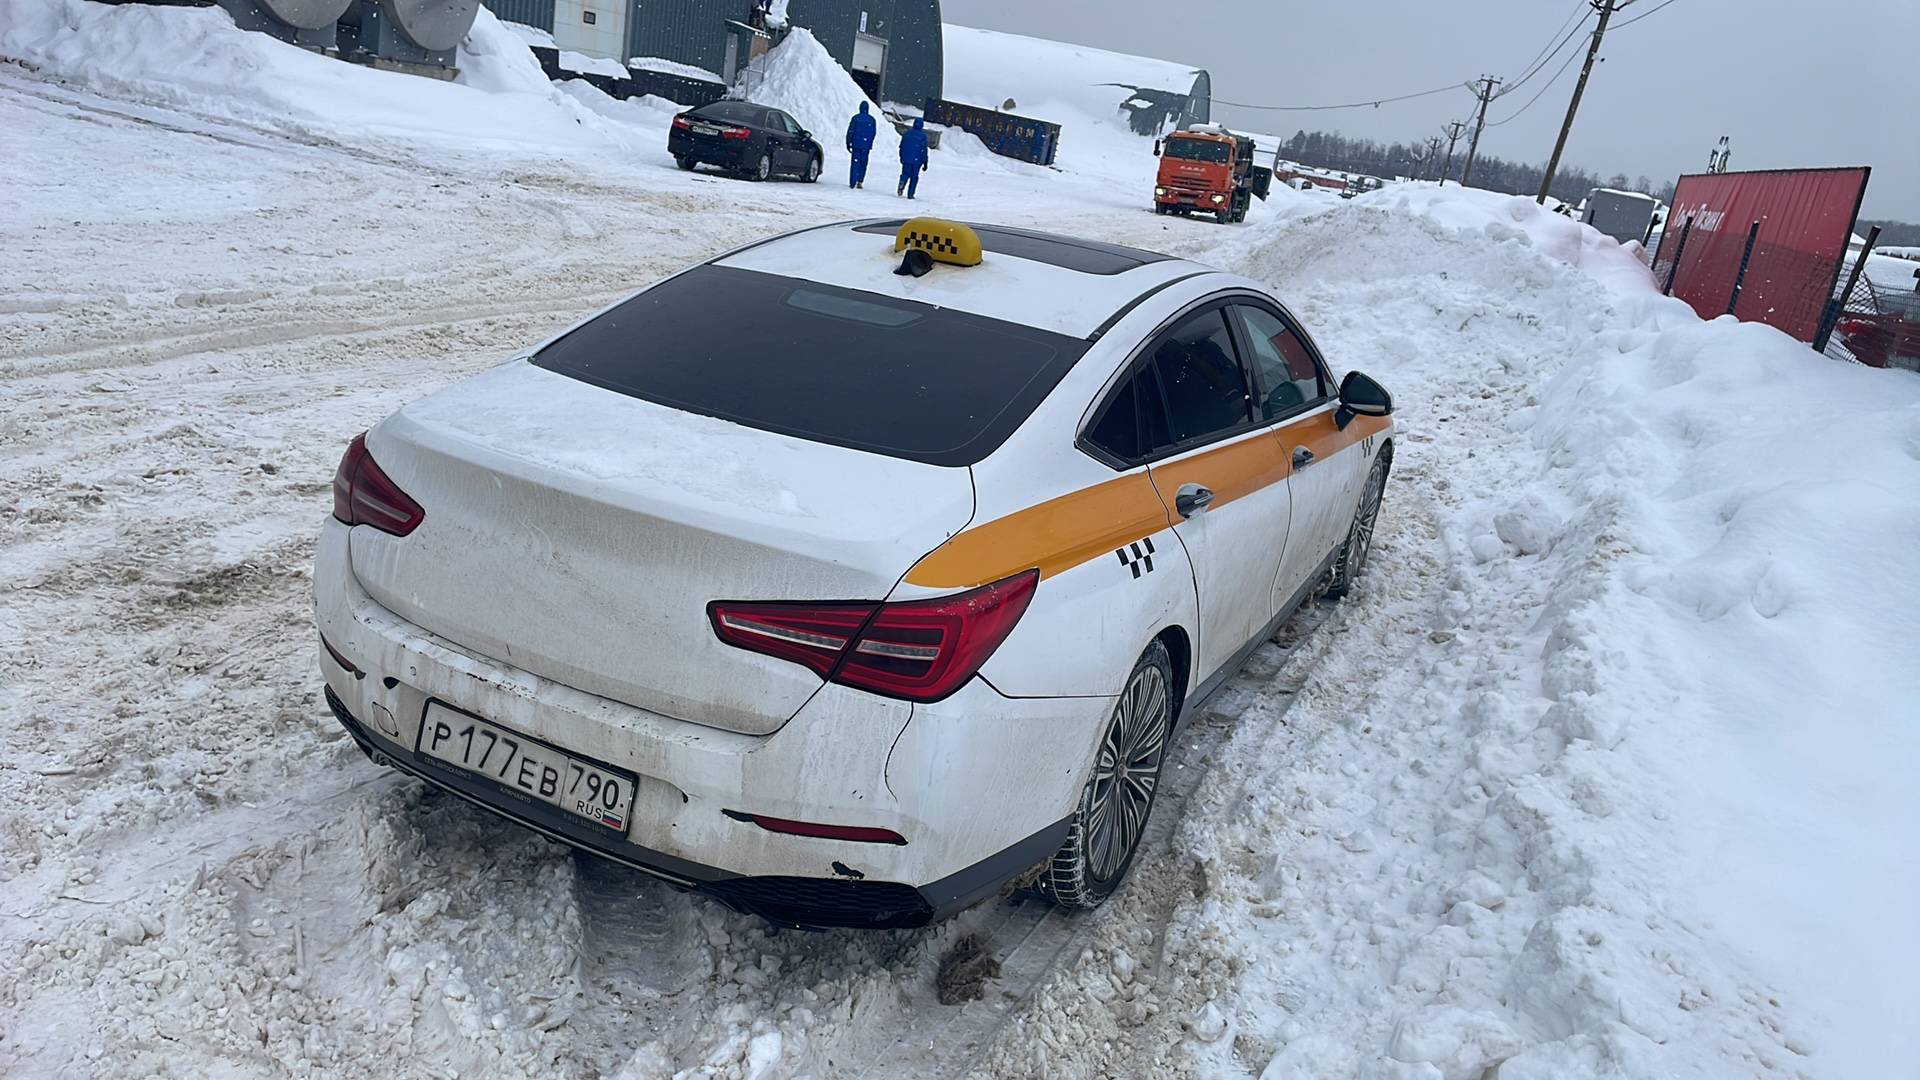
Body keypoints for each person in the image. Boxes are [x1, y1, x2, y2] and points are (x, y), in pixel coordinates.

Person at [845, 101, 875, 189]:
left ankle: (852, 182)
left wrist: (848, 142)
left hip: (856, 144)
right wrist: (869, 143)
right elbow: (873, 133)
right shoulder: (872, 120)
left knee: (855, 163)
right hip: (865, 146)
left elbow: (851, 131)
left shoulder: (856, 118)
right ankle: (860, 181)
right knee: (863, 163)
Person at [898, 116, 928, 199]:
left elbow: (902, 146)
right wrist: (925, 161)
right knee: (914, 177)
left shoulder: (907, 134)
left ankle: (902, 182)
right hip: (917, 160)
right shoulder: (923, 136)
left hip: (906, 158)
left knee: (905, 173)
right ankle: (910, 194)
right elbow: (923, 150)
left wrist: (902, 157)